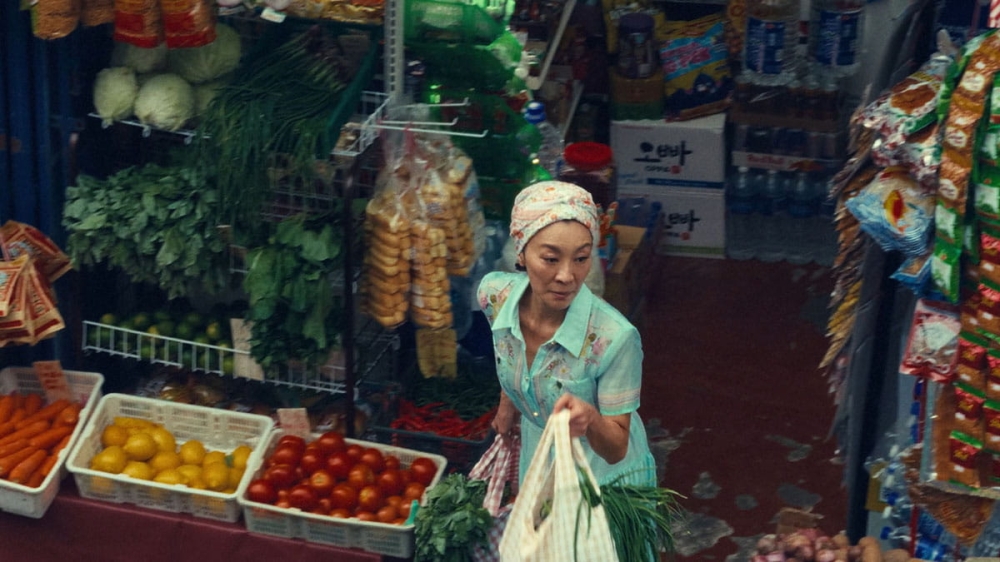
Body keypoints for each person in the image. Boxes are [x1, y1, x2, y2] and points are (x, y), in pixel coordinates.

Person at [477, 180, 657, 487]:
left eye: (581, 258)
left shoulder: (614, 339)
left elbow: (616, 449)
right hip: (540, 459)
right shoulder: (495, 296)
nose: (566, 276)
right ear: (521, 254)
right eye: (550, 259)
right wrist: (508, 403)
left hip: (603, 484)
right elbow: (511, 348)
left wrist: (590, 419)